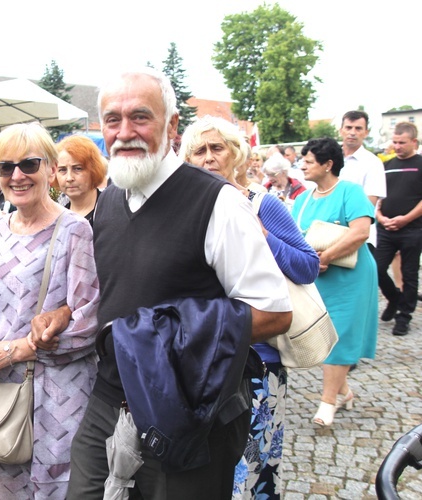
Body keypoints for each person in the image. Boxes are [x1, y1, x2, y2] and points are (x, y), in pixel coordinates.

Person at [67, 69, 292, 499]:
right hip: (108, 399)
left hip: (189, 412)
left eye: (140, 117)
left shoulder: (218, 203)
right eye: (112, 120)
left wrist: (169, 338)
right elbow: (115, 289)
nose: (125, 132)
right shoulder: (109, 199)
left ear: (171, 126)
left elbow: (275, 312)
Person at [180, 115, 319, 499]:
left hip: (257, 361)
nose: (208, 157)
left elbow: (308, 266)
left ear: (236, 153)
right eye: (199, 150)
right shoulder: (187, 211)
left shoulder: (263, 203)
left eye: (217, 147)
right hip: (200, 362)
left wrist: (261, 234)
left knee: (252, 469)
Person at [0, 122, 100, 499]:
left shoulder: (74, 231)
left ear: (51, 170)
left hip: (58, 396)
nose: (17, 176)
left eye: (29, 164)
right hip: (1, 386)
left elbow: (88, 321)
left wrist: (17, 349)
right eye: (5, 167)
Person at [292, 137, 378, 427]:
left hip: (351, 278)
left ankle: (327, 403)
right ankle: (343, 391)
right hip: (319, 279)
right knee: (319, 338)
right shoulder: (302, 200)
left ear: (328, 164)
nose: (302, 165)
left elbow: (360, 232)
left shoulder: (350, 192)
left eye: (308, 160)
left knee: (340, 338)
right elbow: (294, 236)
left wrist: (325, 255)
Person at [375, 122, 422, 336]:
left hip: (412, 229)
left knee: (409, 273)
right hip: (386, 227)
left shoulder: (420, 164)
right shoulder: (387, 165)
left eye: (402, 142)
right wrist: (380, 217)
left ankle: (404, 316)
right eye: (395, 142)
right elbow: (379, 196)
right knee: (375, 268)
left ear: (414, 141)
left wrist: (405, 219)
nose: (397, 146)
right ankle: (394, 297)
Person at [339, 110, 386, 251]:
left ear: (366, 132)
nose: (352, 132)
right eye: (348, 127)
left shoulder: (373, 163)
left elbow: (369, 203)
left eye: (358, 128)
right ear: (341, 130)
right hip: (328, 234)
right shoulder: (329, 158)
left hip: (359, 238)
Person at [54, 135, 107, 227]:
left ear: (94, 170)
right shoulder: (56, 217)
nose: (69, 178)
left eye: (78, 169)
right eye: (62, 170)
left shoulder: (110, 209)